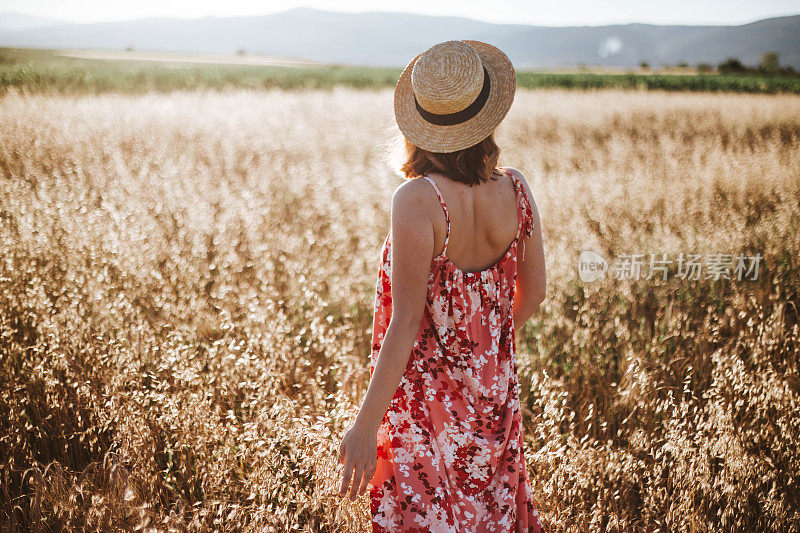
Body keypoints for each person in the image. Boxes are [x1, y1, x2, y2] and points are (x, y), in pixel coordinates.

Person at [338, 40, 547, 532]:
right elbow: (533, 293)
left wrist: (365, 423)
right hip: (494, 399)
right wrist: (482, 343)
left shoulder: (417, 198)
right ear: (486, 118)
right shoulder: (516, 189)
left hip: (423, 404)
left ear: (420, 127)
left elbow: (406, 320)